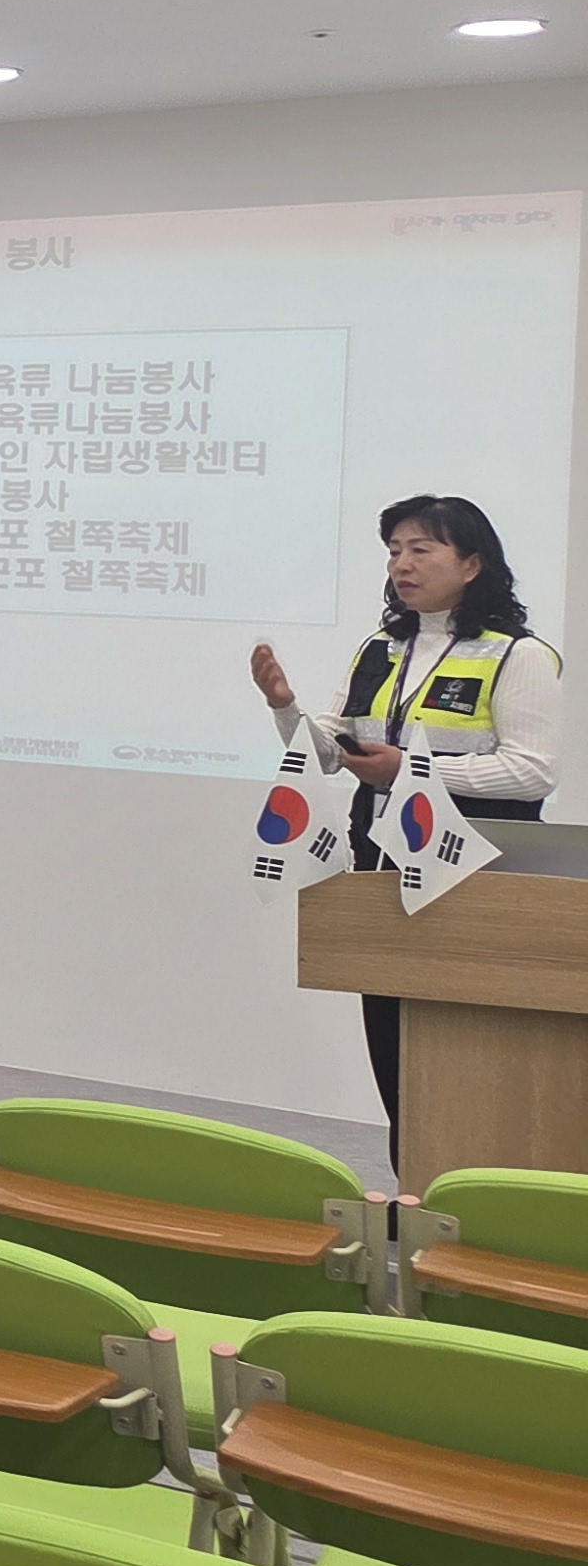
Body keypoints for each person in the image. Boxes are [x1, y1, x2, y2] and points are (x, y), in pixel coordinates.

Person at [253, 493, 561, 1159]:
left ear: (472, 564)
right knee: (393, 1046)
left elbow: (532, 772)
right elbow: (329, 753)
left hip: (475, 874)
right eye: (394, 550)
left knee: (470, 1053)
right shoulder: (380, 649)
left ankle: (474, 1186)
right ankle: (412, 1184)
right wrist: (285, 708)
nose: (402, 564)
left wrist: (410, 770)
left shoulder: (517, 655)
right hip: (381, 868)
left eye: (422, 549)